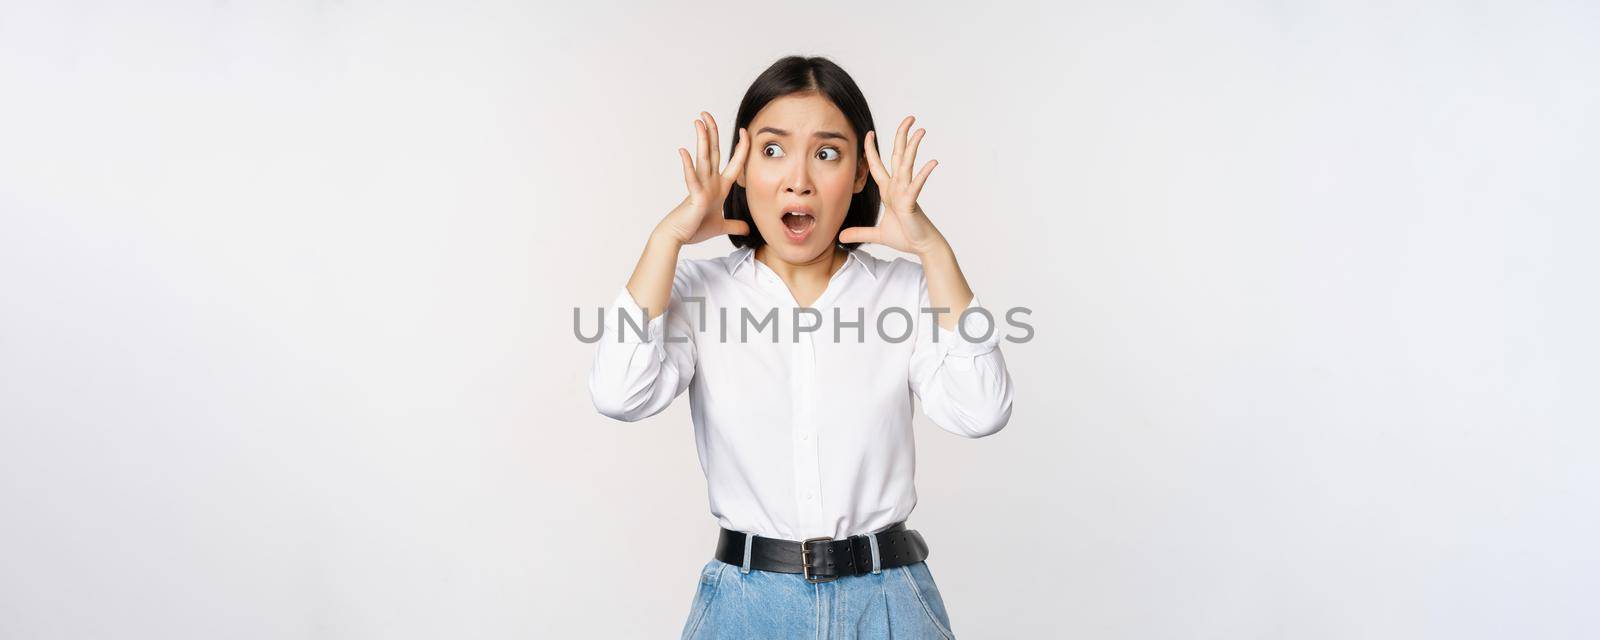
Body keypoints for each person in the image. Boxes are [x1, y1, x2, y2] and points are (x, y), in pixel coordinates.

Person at [588, 55, 1015, 640]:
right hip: (745, 605)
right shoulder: (697, 290)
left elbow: (981, 410)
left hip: (888, 601)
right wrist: (668, 237)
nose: (798, 179)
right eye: (772, 150)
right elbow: (618, 393)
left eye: (826, 152)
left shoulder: (906, 291)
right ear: (740, 169)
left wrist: (936, 254)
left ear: (860, 175)